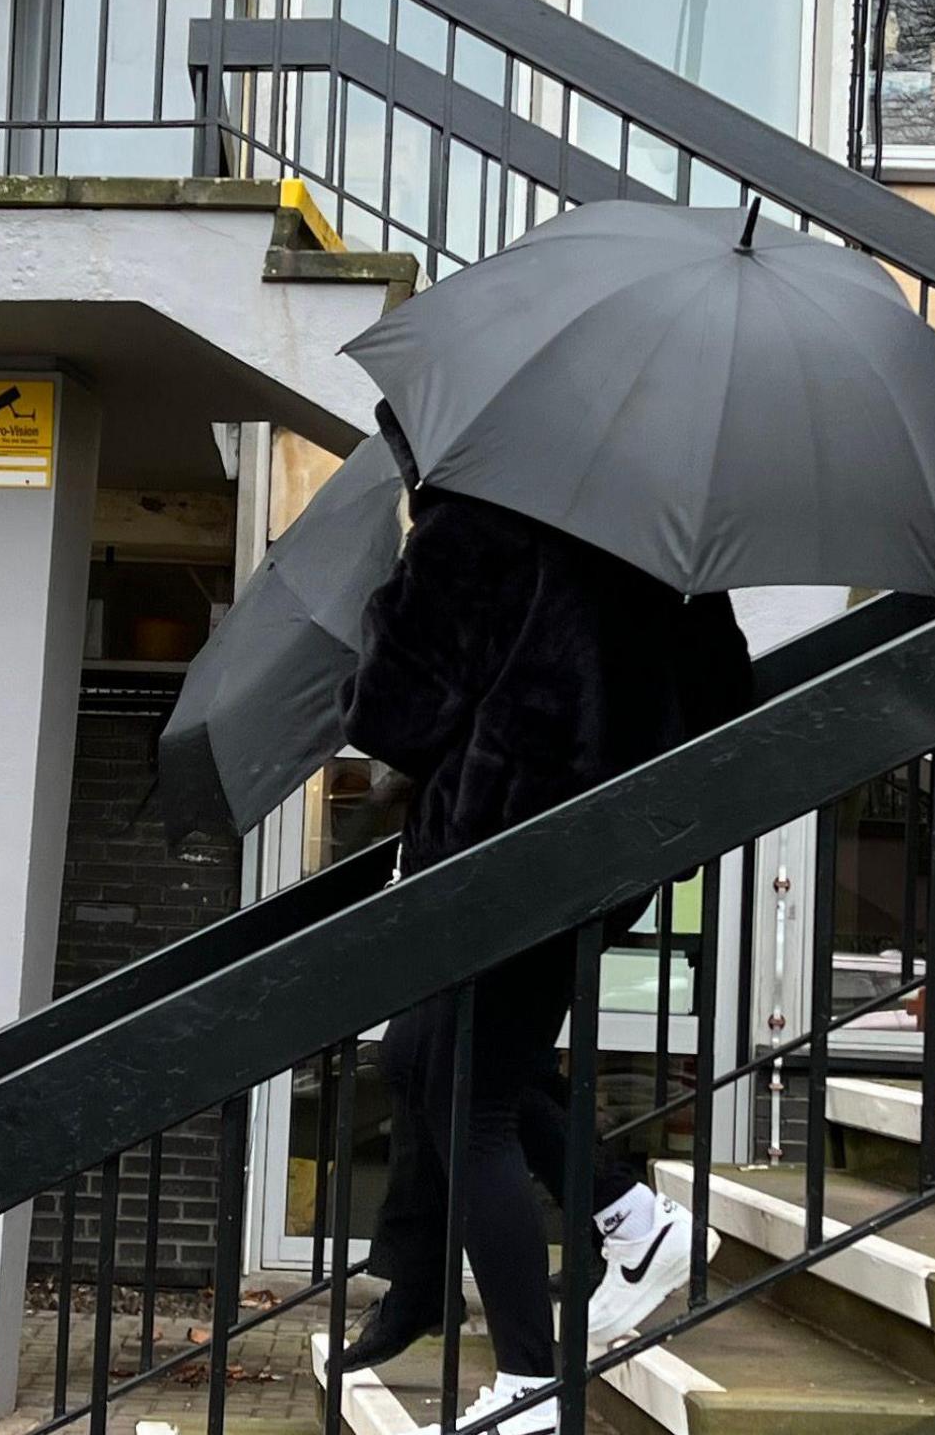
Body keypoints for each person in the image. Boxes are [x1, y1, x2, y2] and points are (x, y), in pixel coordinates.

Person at [330, 410, 755, 1428]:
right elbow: (723, 690)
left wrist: (401, 601)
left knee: (464, 1096)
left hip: (497, 857)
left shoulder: (471, 524)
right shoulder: (651, 535)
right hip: (596, 859)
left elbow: (391, 713)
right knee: (428, 1064)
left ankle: (529, 1385)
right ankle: (630, 1216)